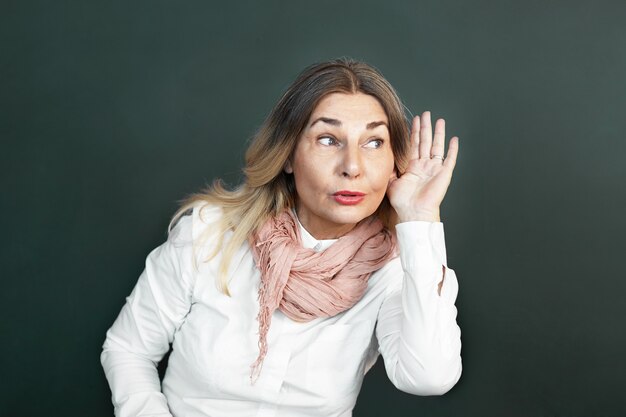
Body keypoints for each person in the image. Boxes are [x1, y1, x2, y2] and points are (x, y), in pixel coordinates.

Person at [101, 58, 462, 417]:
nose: (352, 166)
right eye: (327, 139)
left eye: (373, 142)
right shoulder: (209, 234)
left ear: (392, 161)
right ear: (289, 155)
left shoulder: (396, 269)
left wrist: (420, 220)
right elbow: (128, 349)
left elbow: (428, 377)